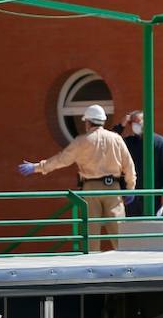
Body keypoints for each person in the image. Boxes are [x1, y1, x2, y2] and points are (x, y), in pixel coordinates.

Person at [17, 103, 136, 248]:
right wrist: (131, 188)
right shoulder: (116, 139)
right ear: (103, 121)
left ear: (88, 122)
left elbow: (61, 160)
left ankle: (92, 264)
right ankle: (125, 264)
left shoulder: (82, 141)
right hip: (113, 189)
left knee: (91, 232)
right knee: (119, 231)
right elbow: (129, 166)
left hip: (91, 188)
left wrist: (36, 167)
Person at [114, 110, 163, 217]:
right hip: (133, 197)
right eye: (132, 123)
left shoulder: (161, 143)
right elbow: (111, 142)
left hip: (156, 196)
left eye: (138, 122)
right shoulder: (129, 143)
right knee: (133, 229)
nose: (135, 125)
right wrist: (121, 126)